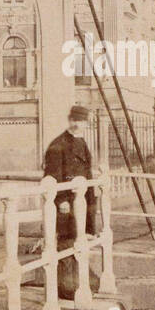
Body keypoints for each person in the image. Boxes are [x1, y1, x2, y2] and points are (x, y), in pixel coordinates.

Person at [43, 105, 99, 299]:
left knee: (79, 237)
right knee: (67, 240)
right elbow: (52, 175)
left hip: (82, 200)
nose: (77, 124)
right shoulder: (58, 145)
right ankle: (67, 285)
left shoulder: (81, 142)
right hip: (67, 202)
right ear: (69, 120)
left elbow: (86, 171)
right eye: (74, 120)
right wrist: (61, 200)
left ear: (86, 123)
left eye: (81, 120)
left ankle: (79, 279)